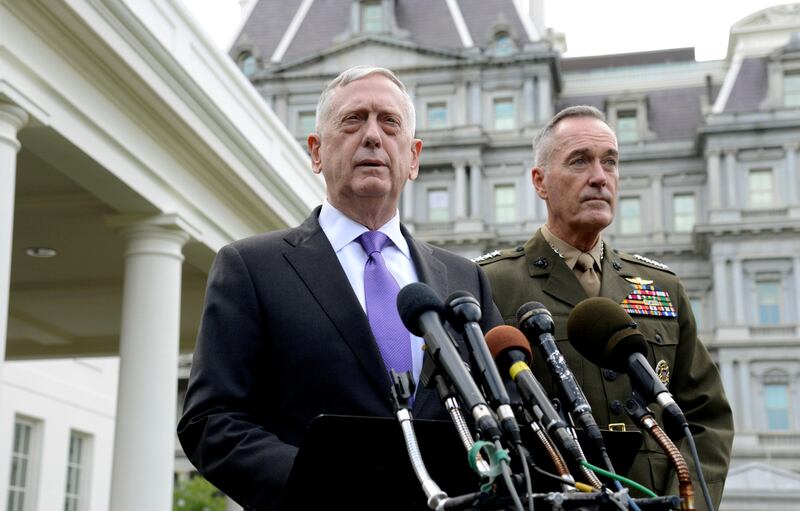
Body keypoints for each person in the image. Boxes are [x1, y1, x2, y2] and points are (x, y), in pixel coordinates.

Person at [177, 66, 502, 511]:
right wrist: (324, 484)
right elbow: (211, 421)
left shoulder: (465, 279)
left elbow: (504, 414)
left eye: (390, 123)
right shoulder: (251, 268)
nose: (372, 136)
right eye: (353, 120)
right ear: (315, 151)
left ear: (413, 158)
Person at [478, 105, 733, 509]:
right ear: (540, 182)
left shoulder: (661, 287)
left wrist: (685, 503)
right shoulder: (490, 284)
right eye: (579, 161)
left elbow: (705, 416)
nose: (599, 177)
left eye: (609, 162)